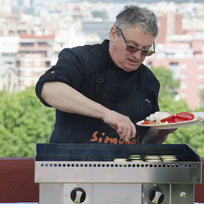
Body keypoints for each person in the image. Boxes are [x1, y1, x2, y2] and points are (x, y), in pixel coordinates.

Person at [35, 5, 176, 145]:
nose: (138, 56)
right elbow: (48, 90)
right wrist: (106, 113)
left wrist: (161, 132)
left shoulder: (149, 81)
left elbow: (145, 143)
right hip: (72, 161)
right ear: (114, 34)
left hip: (125, 166)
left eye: (145, 50)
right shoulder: (81, 59)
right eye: (132, 47)